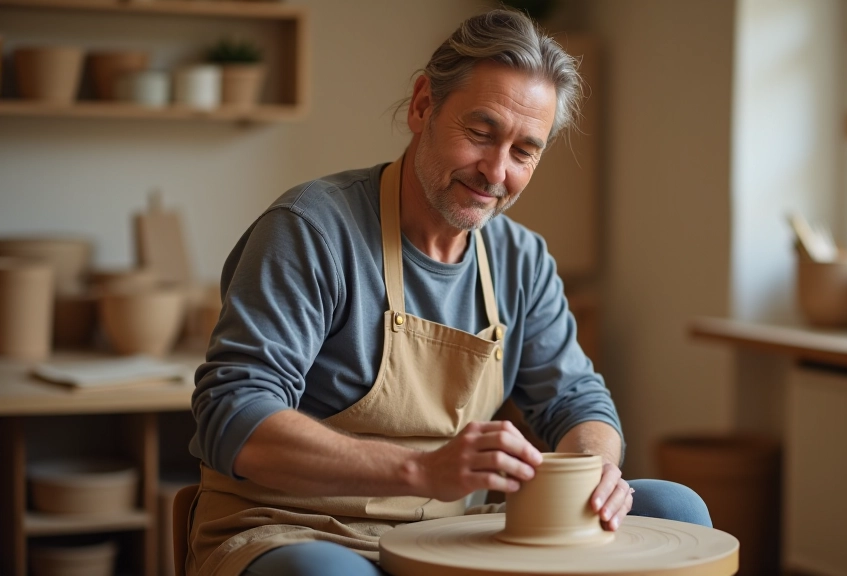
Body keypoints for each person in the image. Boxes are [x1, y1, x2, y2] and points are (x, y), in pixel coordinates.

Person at [186, 9, 711, 576]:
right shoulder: (312, 229)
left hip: (449, 534)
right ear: (422, 105)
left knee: (672, 508)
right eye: (480, 133)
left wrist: (595, 468)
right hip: (294, 530)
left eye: (524, 151)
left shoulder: (521, 259)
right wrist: (420, 472)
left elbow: (576, 399)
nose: (496, 171)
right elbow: (232, 414)